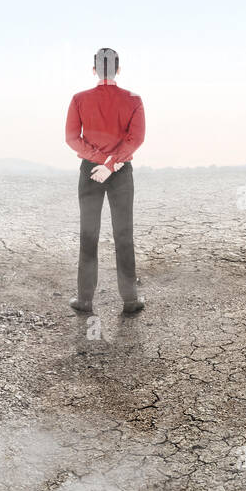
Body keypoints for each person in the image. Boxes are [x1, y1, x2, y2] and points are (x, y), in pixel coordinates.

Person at [64, 47, 146, 315]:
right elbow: (136, 139)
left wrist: (99, 161)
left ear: (94, 70)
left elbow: (73, 138)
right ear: (119, 70)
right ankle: (130, 299)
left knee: (89, 234)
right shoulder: (133, 99)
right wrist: (112, 164)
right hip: (121, 172)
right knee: (124, 234)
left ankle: (84, 300)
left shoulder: (79, 99)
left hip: (91, 171)